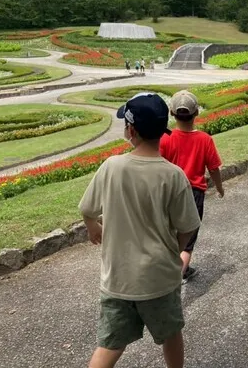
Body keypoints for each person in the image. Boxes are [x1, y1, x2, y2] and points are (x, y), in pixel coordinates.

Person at [79, 93, 201, 368]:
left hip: (118, 279)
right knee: (170, 334)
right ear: (163, 132)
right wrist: (173, 245)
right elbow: (188, 227)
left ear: (130, 130)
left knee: (110, 343)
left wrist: (93, 227)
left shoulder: (112, 166)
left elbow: (87, 208)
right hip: (159, 278)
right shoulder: (172, 175)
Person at [160, 90, 224, 283]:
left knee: (170, 235)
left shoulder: (165, 138)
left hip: (169, 193)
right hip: (193, 193)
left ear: (171, 113)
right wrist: (220, 188)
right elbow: (213, 169)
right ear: (197, 113)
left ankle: (178, 270)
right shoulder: (205, 139)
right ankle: (175, 280)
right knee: (187, 241)